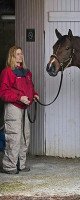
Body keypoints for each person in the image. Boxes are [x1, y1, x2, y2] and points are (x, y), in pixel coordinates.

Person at [0, 46, 39, 174]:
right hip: (13, 107)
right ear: (12, 56)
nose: (20, 56)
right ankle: (9, 166)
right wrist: (19, 98)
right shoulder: (7, 72)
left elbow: (30, 88)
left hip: (24, 108)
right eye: (17, 54)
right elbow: (3, 93)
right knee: (13, 137)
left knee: (25, 137)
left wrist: (34, 94)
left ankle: (21, 164)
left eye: (21, 54)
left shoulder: (26, 73)